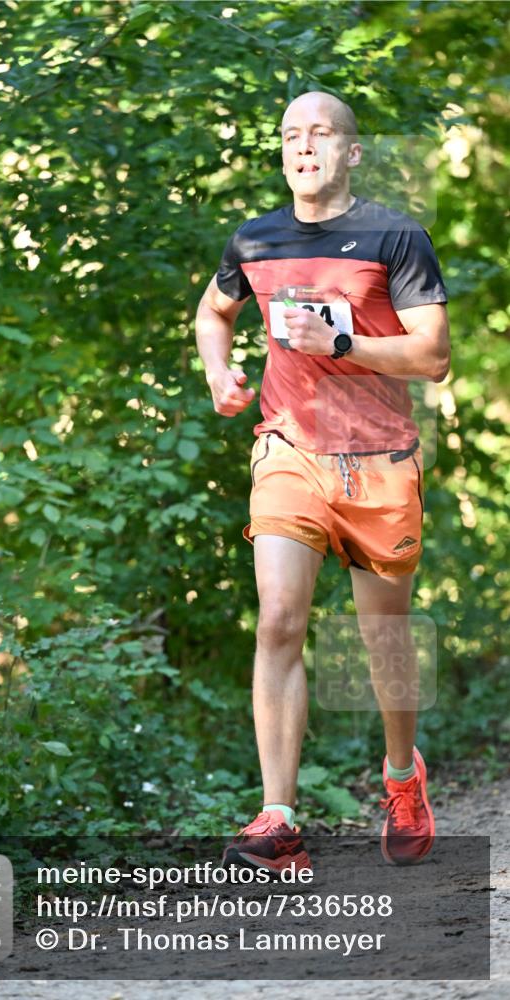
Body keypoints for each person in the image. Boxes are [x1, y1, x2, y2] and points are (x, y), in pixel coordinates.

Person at [195, 91, 450, 872]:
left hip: (379, 459)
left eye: (321, 134)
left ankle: (401, 775)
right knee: (277, 618)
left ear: (351, 152)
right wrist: (219, 375)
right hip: (288, 447)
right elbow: (213, 313)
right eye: (290, 136)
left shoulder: (394, 235)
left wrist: (342, 340)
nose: (303, 147)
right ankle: (277, 819)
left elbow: (433, 356)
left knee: (382, 638)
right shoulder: (255, 239)